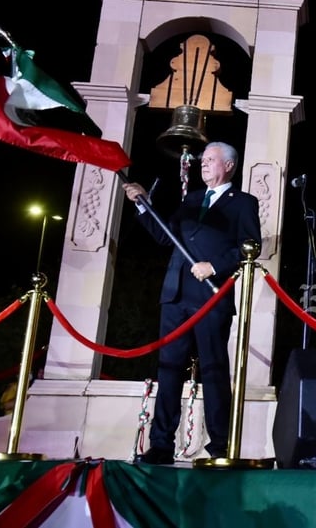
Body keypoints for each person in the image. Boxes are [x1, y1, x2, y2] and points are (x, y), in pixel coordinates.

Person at [122, 141, 262, 465]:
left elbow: (249, 245)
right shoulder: (192, 200)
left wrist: (215, 267)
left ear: (228, 165)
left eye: (211, 159)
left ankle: (220, 447)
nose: (204, 163)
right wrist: (143, 204)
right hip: (175, 295)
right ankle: (160, 445)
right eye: (203, 159)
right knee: (169, 369)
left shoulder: (243, 202)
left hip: (210, 295)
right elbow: (163, 236)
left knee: (213, 370)